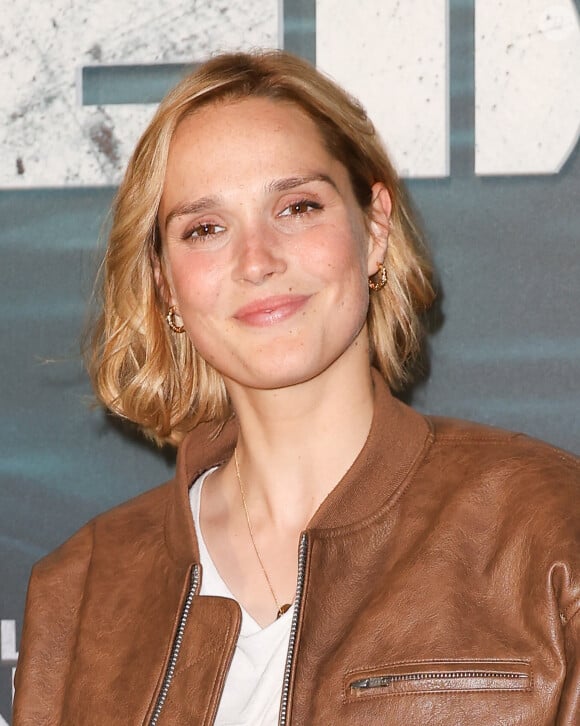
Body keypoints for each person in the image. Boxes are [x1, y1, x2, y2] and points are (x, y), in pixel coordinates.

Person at [13, 50, 580, 725]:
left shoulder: (549, 531)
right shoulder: (78, 590)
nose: (257, 260)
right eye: (206, 228)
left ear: (372, 230)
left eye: (297, 207)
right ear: (165, 283)